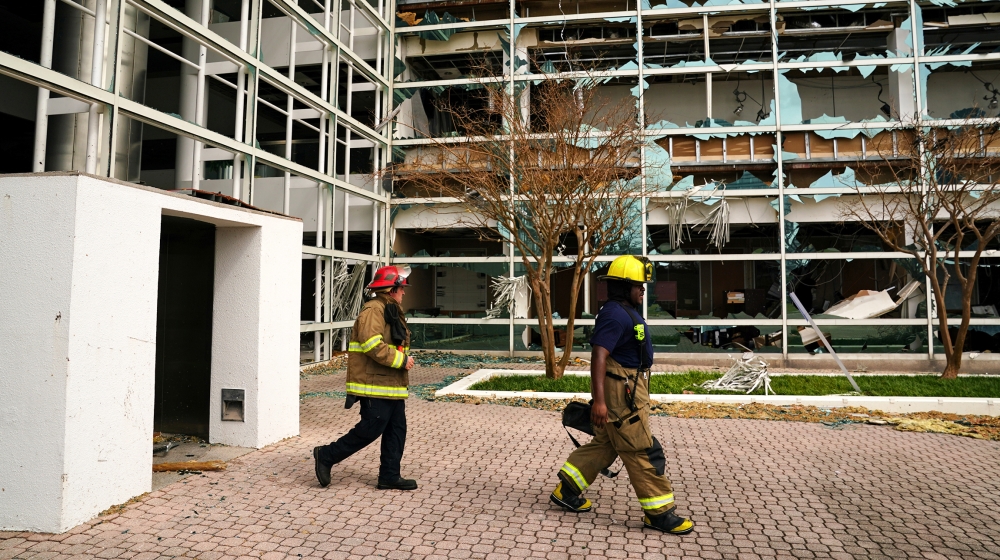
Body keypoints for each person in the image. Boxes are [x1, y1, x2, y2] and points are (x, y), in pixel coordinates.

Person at [549, 255, 694, 535]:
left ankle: (566, 490)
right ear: (623, 286)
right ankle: (659, 514)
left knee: (607, 443)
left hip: (628, 386)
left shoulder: (624, 309)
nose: (643, 290)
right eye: (638, 285)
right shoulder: (615, 314)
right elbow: (599, 355)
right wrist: (600, 402)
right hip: (622, 393)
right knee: (641, 448)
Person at [313, 265, 418, 490]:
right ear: (391, 289)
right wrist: (401, 360)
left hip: (389, 384)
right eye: (402, 288)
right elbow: (372, 345)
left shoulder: (388, 308)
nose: (404, 293)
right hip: (374, 384)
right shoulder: (374, 310)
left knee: (396, 430)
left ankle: (389, 476)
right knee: (371, 428)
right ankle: (326, 455)